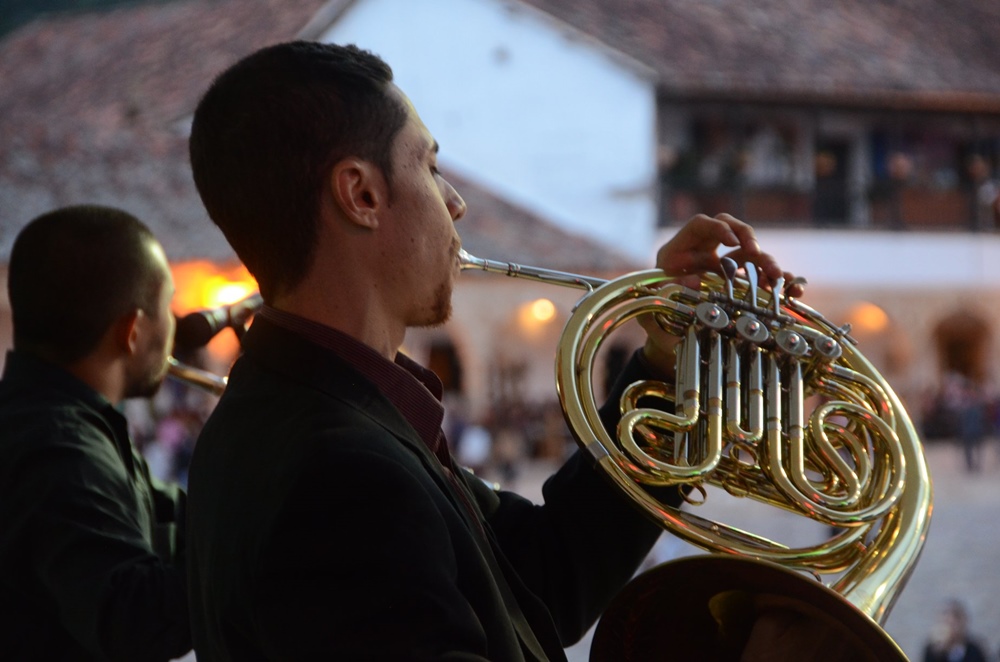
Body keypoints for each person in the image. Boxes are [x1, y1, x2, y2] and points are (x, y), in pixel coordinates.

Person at [184, 40, 798, 660]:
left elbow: (544, 576)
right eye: (430, 167)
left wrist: (666, 361)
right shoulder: (340, 475)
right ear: (361, 195)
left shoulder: (320, 414)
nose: (456, 202)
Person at [0, 205, 191, 661]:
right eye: (167, 306)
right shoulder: (61, 445)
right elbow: (137, 619)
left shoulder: (55, 420)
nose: (174, 326)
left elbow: (168, 515)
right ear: (132, 331)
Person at [922, 599, 988, 662]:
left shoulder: (974, 650)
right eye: (946, 617)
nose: (951, 621)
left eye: (956, 616)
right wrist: (939, 653)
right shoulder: (932, 650)